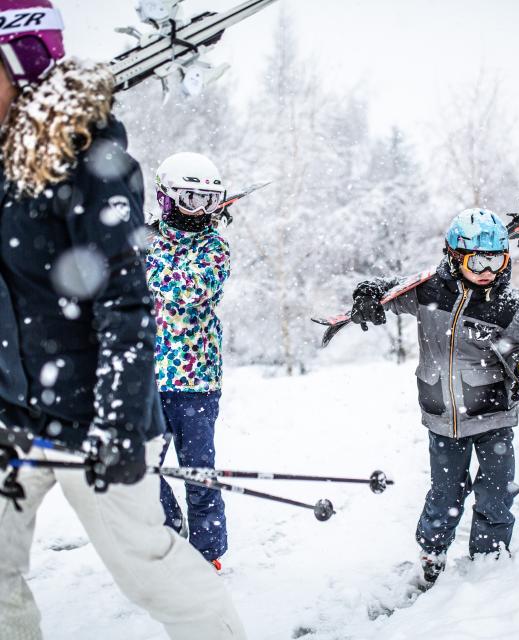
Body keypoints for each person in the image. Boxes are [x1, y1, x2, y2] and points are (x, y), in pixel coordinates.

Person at [0, 2, 246, 638]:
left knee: (147, 568)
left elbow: (128, 306)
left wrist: (113, 423)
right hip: (15, 416)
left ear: (19, 64)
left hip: (91, 414)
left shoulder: (87, 162)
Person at [350, 208, 519, 588]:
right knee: (445, 492)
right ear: (455, 257)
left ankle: (488, 560)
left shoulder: (505, 302)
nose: (489, 269)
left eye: (497, 259)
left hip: (493, 414)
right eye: (478, 259)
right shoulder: (429, 291)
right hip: (443, 416)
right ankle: (433, 552)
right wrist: (370, 294)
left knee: (495, 491)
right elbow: (388, 292)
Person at [146, 152, 231, 568]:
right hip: (146, 379)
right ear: (167, 197)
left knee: (198, 470)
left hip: (196, 380)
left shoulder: (215, 249)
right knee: (142, 469)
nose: (199, 209)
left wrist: (143, 261)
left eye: (208, 200)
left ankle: (208, 551)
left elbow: (188, 289)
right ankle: (167, 531)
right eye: (190, 198)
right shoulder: (147, 243)